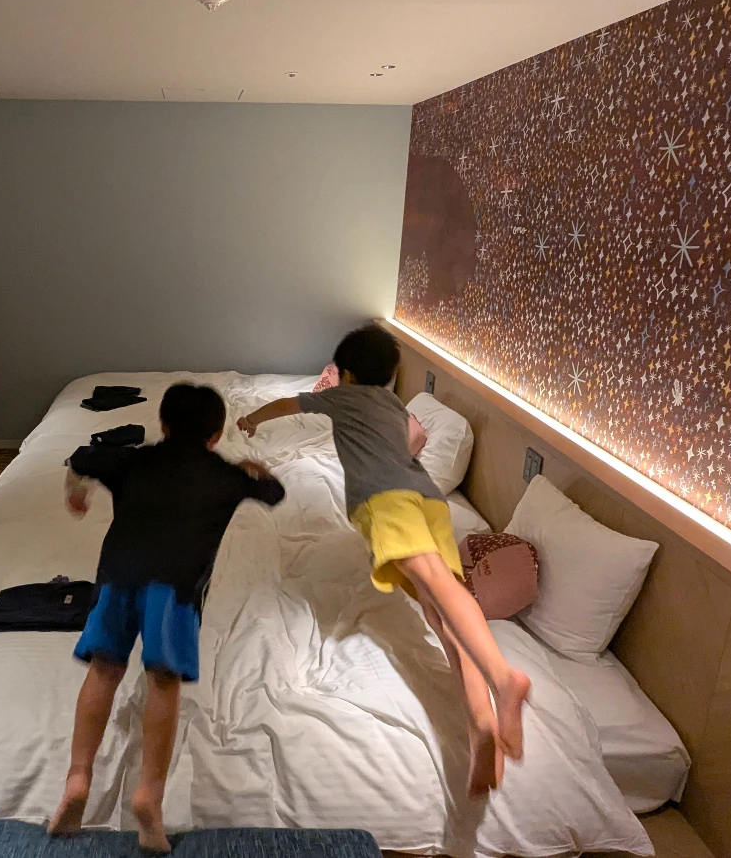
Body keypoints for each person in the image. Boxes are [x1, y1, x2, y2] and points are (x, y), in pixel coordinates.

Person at [238, 323, 531, 798]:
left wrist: (251, 420)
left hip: (387, 499)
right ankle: (482, 726)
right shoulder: (393, 403)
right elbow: (416, 439)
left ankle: (504, 678)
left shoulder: (341, 397)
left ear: (347, 374)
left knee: (436, 588)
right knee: (442, 609)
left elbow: (287, 405)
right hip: (429, 499)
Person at [49, 383, 286, 852]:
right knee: (162, 681)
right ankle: (149, 799)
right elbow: (274, 492)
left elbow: (81, 458)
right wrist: (254, 470)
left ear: (162, 425)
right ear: (216, 434)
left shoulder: (133, 460)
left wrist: (75, 493)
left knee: (103, 671)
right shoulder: (225, 476)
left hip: (118, 580)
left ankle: (77, 780)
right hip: (174, 590)